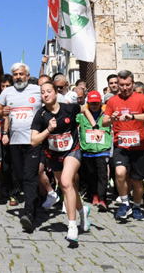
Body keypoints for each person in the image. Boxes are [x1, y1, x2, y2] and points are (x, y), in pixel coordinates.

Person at [31, 82, 94, 245]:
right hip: (54, 155)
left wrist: (94, 126)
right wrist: (48, 130)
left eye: (49, 91)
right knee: (68, 187)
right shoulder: (41, 115)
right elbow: (33, 141)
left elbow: (85, 109)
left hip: (72, 150)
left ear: (55, 93)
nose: (45, 95)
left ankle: (72, 226)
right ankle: (82, 211)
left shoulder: (69, 108)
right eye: (42, 92)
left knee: (66, 182)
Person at [0, 62, 57, 232]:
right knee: (20, 177)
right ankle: (35, 200)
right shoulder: (7, 92)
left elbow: (52, 102)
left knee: (30, 176)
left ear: (27, 76)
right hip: (15, 142)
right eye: (15, 74)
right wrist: (1, 113)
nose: (18, 77)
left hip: (33, 141)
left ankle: (29, 214)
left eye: (21, 74)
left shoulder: (36, 90)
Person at [103, 70, 144, 221]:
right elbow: (104, 122)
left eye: (127, 85)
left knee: (137, 180)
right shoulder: (113, 101)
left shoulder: (142, 98)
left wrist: (132, 116)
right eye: (121, 85)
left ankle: (137, 206)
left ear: (133, 83)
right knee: (119, 173)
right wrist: (112, 119)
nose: (124, 88)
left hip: (139, 145)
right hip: (121, 144)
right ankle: (125, 203)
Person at [80, 90, 111, 212]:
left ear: (100, 102)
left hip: (102, 150)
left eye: (96, 103)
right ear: (88, 103)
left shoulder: (106, 114)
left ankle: (102, 199)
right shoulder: (82, 115)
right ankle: (94, 194)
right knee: (91, 175)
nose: (94, 105)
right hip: (87, 151)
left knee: (102, 174)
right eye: (92, 103)